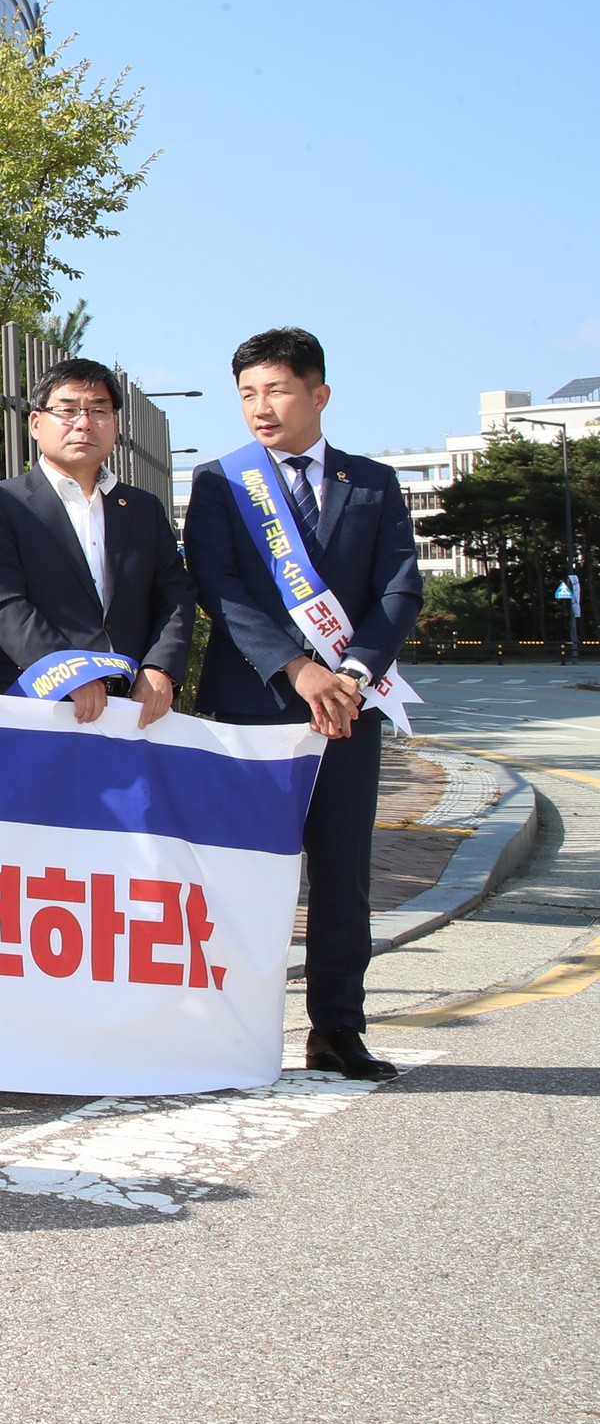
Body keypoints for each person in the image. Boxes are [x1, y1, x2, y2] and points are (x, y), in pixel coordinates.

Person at [185, 328, 422, 1082]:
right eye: (248, 393)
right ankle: (226, 1031)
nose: (262, 406)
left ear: (319, 394)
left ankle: (337, 1032)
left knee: (343, 875)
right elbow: (216, 585)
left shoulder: (373, 483)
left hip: (350, 710)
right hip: (253, 705)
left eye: (277, 390)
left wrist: (349, 671)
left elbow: (399, 589)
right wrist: (296, 668)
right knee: (245, 874)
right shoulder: (222, 483)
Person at [0, 358, 193, 726]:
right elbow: (3, 604)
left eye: (98, 410)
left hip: (137, 709)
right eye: (67, 410)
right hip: (39, 702)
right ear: (36, 424)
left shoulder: (142, 508)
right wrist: (69, 672)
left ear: (114, 424)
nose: (84, 423)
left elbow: (174, 593)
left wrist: (160, 666)